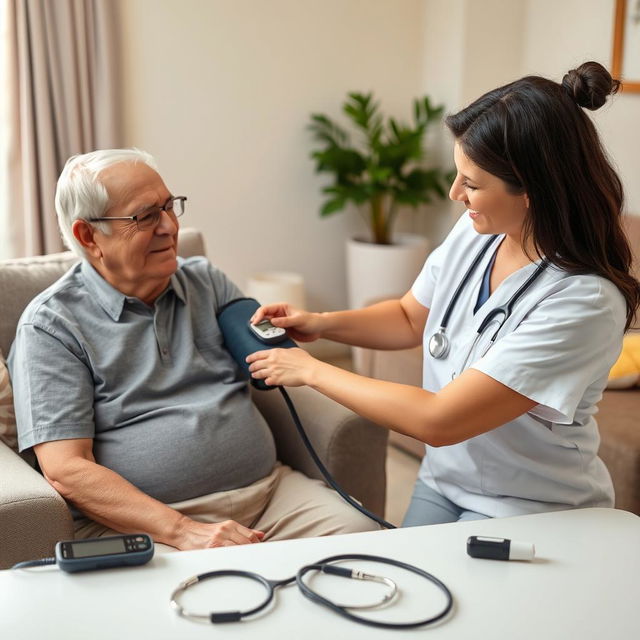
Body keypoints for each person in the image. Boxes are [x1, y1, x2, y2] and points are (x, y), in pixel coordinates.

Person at [247, 61, 640, 526]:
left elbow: (440, 419)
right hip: (443, 480)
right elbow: (410, 318)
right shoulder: (479, 232)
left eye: (472, 184)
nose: (456, 194)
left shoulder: (583, 302)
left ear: (533, 190)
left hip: (531, 506)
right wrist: (320, 323)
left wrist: (311, 372)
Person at [8, 148, 377, 551]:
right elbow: (66, 468)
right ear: (88, 235)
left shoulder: (205, 280)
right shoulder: (51, 326)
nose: (169, 227)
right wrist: (183, 530)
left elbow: (278, 360)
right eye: (145, 216)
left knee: (365, 542)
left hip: (271, 496)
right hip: (146, 525)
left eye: (169, 207)